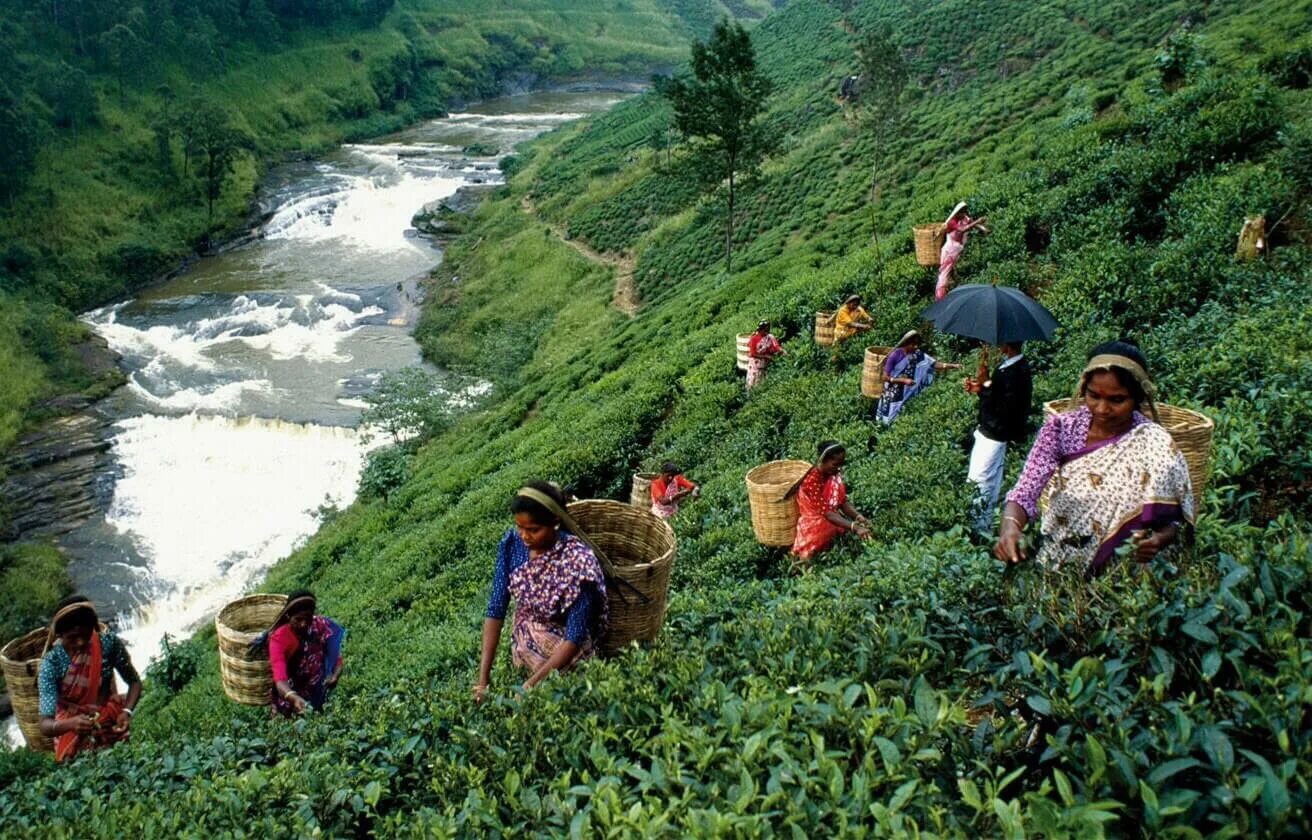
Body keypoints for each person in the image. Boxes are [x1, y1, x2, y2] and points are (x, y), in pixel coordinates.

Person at [995, 341, 1195, 575]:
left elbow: (1171, 521)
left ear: (1137, 398)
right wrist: (1010, 526)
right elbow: (1026, 488)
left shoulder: (1153, 442)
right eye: (1093, 396)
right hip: (1061, 562)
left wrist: (1159, 540)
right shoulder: (1062, 428)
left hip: (1127, 574)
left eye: (1117, 400)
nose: (1101, 409)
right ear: (1083, 389)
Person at [476, 481, 608, 702]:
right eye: (520, 527)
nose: (525, 536)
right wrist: (482, 681)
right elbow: (496, 608)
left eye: (533, 530)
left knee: (577, 673)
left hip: (566, 637)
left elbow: (574, 636)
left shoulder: (577, 562)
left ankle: (543, 676)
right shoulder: (512, 544)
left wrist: (528, 687)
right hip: (529, 627)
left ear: (555, 522)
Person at [37, 595, 142, 763]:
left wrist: (126, 712)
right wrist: (71, 724)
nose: (80, 643)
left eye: (85, 635)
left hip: (109, 721)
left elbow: (134, 682)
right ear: (60, 635)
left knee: (123, 764)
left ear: (93, 628)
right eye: (72, 637)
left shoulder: (107, 644)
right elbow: (45, 725)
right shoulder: (52, 663)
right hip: (71, 729)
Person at [964, 342, 1033, 533]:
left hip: (995, 433)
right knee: (989, 480)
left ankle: (977, 529)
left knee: (980, 480)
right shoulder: (1010, 366)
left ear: (1007, 345)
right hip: (993, 431)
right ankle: (984, 525)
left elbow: (1006, 408)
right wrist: (982, 388)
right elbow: (997, 396)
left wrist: (985, 384)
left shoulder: (1015, 372)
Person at [787, 440, 873, 569]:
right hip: (813, 530)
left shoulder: (831, 474)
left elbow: (842, 501)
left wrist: (858, 516)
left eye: (841, 464)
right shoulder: (811, 481)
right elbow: (828, 514)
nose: (839, 468)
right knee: (808, 564)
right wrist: (855, 527)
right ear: (823, 460)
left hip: (834, 525)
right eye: (835, 464)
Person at [268, 590, 344, 717]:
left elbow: (337, 658)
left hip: (316, 688)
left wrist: (335, 675)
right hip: (289, 692)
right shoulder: (279, 639)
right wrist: (292, 697)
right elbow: (280, 680)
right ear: (288, 617)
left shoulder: (319, 626)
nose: (303, 624)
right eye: (298, 619)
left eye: (307, 619)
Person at [875, 330, 962, 424]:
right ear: (906, 344)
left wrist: (953, 366)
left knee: (903, 418)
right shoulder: (895, 355)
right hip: (893, 393)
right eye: (913, 344)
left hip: (908, 392)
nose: (915, 347)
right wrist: (903, 381)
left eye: (917, 344)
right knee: (887, 418)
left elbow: (933, 364)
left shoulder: (917, 354)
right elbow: (885, 377)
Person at [937, 202, 990, 301]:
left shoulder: (965, 218)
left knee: (950, 269)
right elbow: (962, 229)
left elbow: (973, 224)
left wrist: (984, 229)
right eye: (962, 212)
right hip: (949, 250)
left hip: (957, 249)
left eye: (965, 211)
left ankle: (955, 287)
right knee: (944, 272)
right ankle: (940, 297)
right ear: (957, 212)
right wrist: (978, 221)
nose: (964, 214)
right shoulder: (952, 221)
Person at [746, 320, 785, 389]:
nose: (766, 332)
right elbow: (753, 353)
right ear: (760, 330)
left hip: (765, 365)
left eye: (768, 330)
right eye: (765, 330)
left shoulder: (770, 337)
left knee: (763, 382)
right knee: (753, 382)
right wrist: (765, 356)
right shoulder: (754, 338)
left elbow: (776, 346)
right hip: (755, 365)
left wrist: (782, 351)